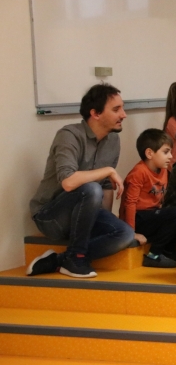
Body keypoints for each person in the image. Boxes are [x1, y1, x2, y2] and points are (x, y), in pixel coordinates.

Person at [27, 83, 134, 278]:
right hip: (50, 216)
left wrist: (104, 221)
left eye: (122, 108)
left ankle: (60, 260)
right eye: (116, 109)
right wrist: (108, 170)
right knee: (91, 188)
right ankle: (76, 259)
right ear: (96, 113)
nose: (123, 115)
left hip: (84, 213)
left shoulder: (113, 141)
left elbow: (106, 186)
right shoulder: (69, 135)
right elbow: (68, 182)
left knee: (124, 234)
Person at [119, 129, 176, 267]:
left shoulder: (164, 170)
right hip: (138, 218)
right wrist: (132, 232)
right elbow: (129, 204)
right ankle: (153, 255)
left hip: (152, 215)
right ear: (149, 153)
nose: (171, 156)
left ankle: (169, 251)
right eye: (166, 152)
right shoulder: (139, 172)